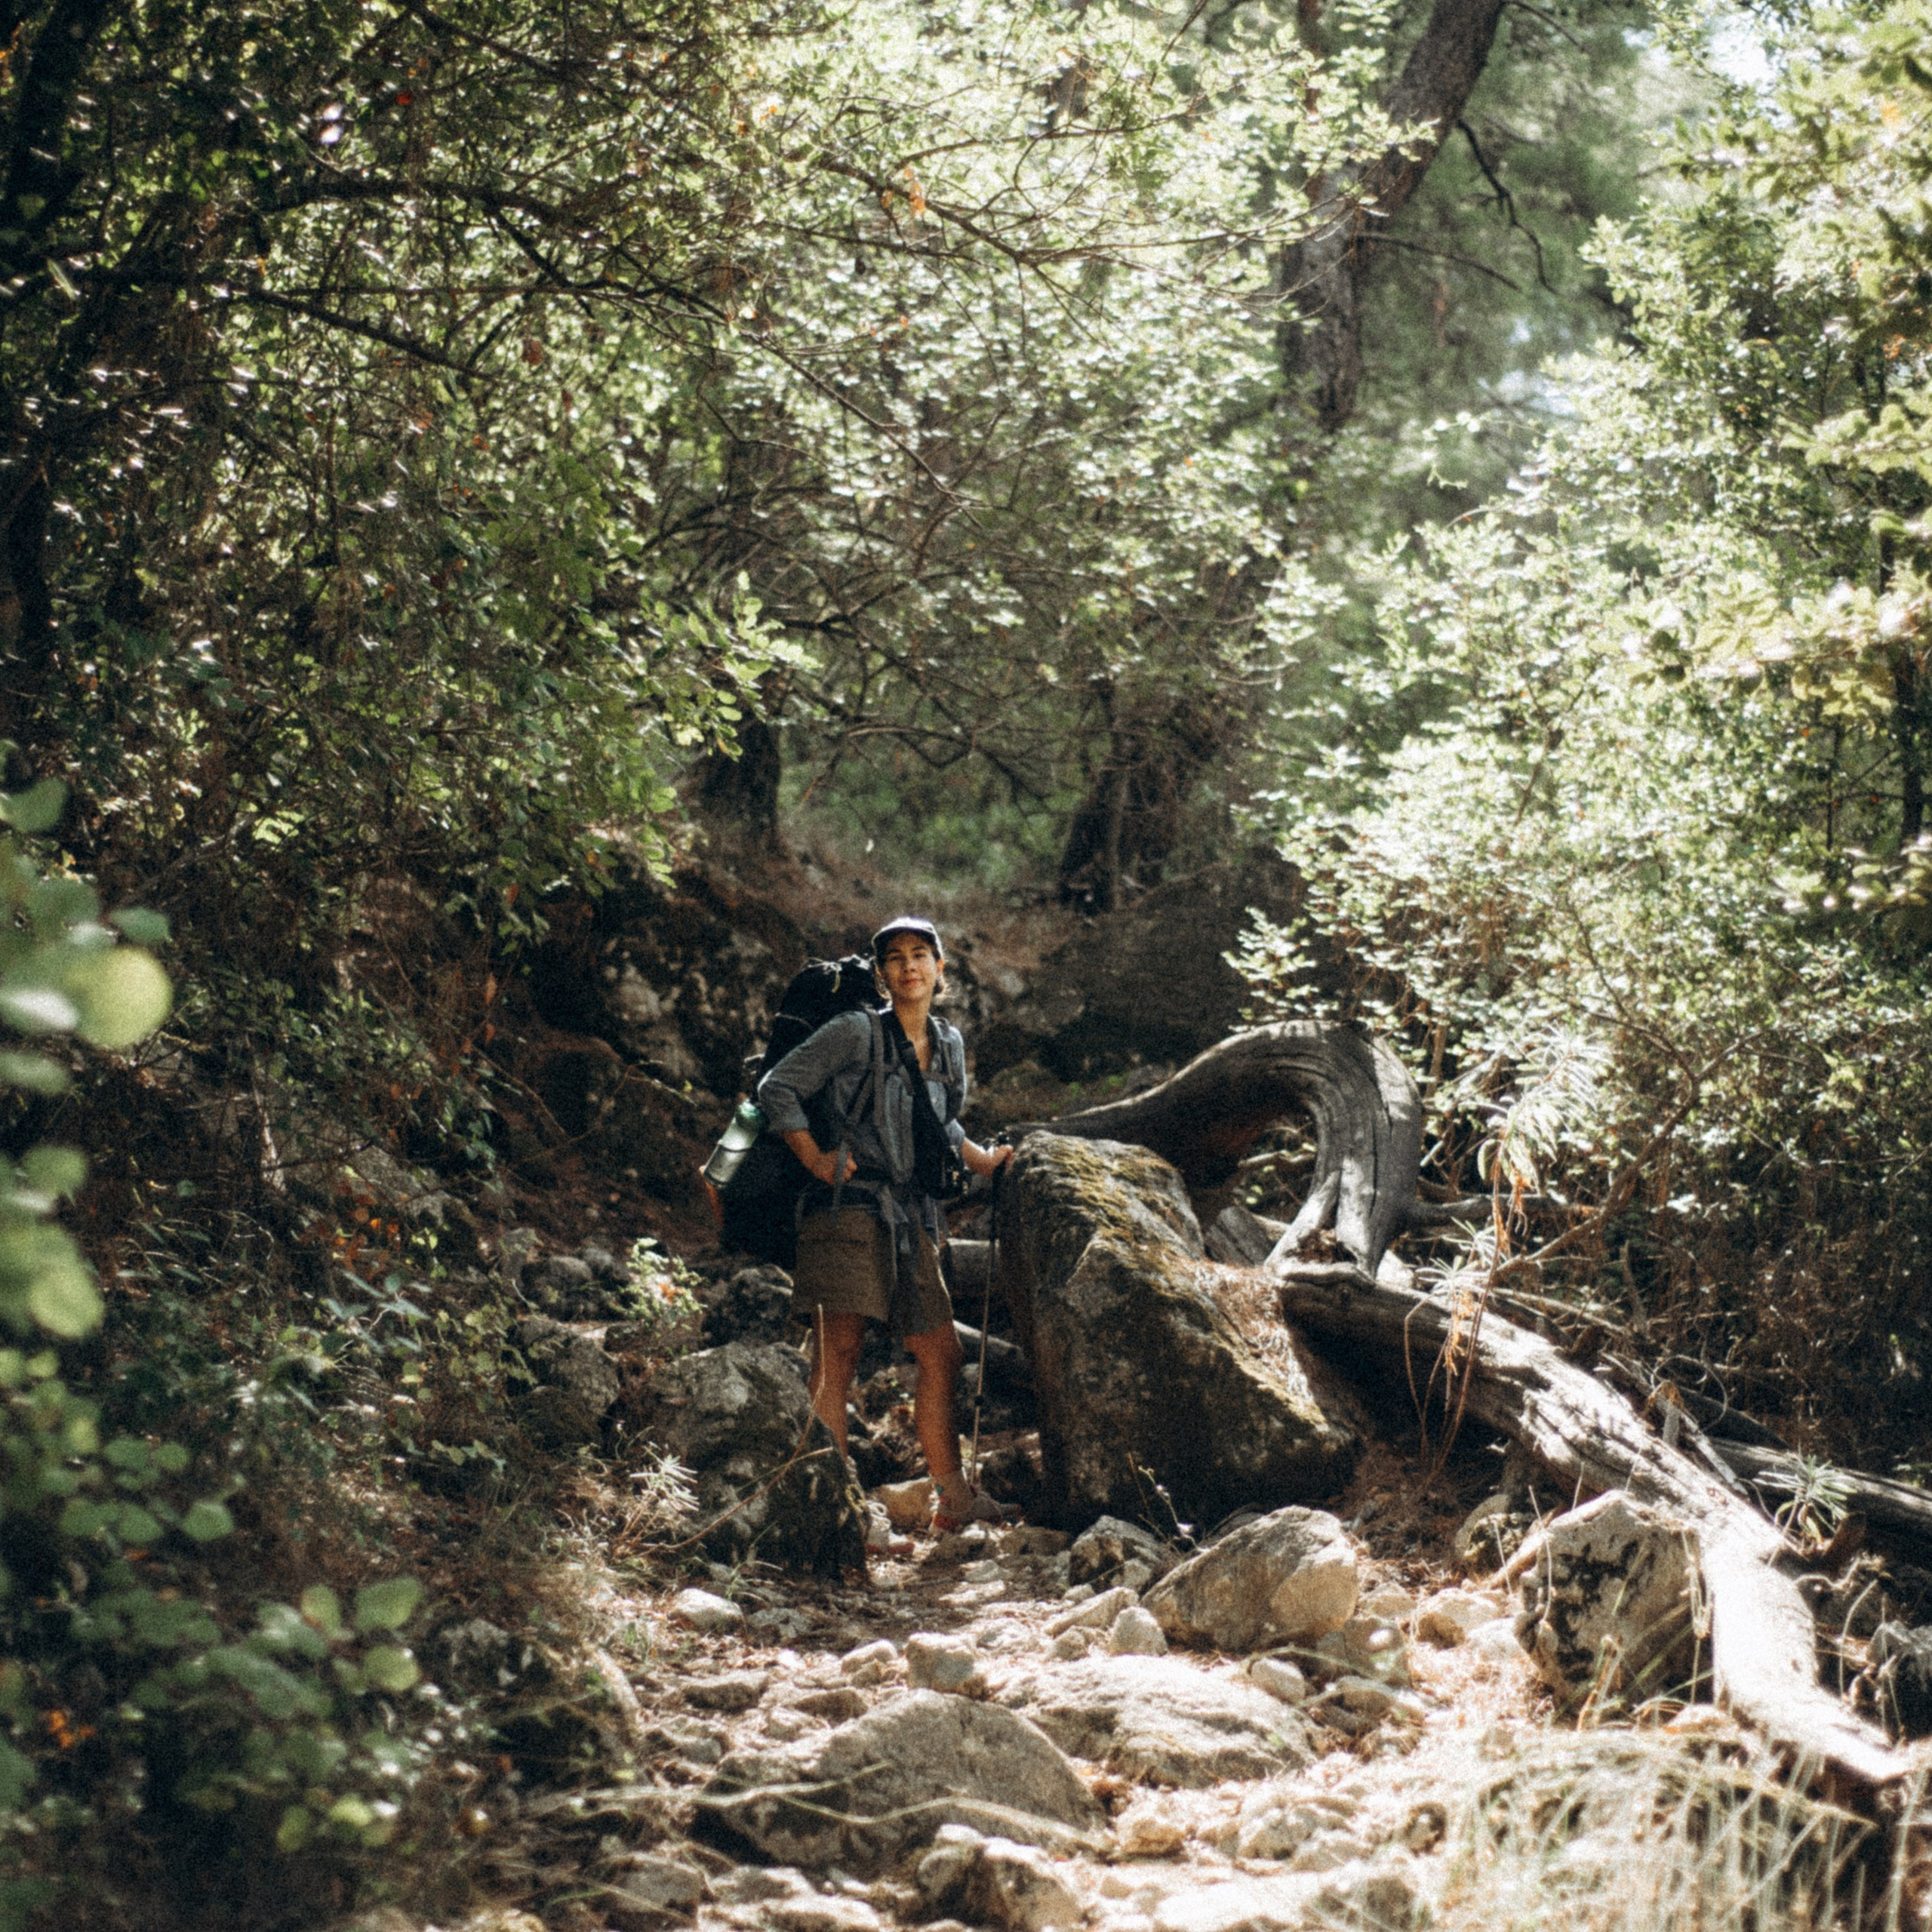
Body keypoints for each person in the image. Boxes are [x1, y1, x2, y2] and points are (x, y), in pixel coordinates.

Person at [755, 914, 1014, 1531]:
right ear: (881, 974)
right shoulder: (853, 1032)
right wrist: (815, 1158)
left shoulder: (948, 1044)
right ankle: (841, 1515)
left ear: (939, 969)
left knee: (942, 1353)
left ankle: (953, 1502)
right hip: (844, 1208)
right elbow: (777, 1088)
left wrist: (981, 1159)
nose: (908, 966)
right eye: (895, 957)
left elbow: (938, 1121)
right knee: (839, 1356)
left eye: (920, 954)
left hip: (911, 1215)